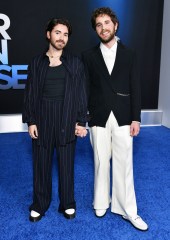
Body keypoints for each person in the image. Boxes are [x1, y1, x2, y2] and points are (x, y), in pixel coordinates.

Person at [82, 7, 148, 231]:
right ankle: (100, 202)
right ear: (96, 30)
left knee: (124, 164)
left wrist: (136, 118)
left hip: (123, 116)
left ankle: (128, 209)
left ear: (115, 25)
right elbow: (85, 89)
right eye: (99, 25)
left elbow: (135, 88)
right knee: (101, 162)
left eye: (107, 23)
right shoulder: (88, 56)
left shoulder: (130, 54)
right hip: (98, 116)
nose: (103, 28)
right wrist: (85, 117)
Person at [23, 18, 88, 222]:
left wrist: (81, 122)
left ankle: (67, 203)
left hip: (67, 119)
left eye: (66, 34)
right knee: (41, 165)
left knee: (67, 165)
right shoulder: (36, 62)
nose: (62, 38)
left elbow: (81, 94)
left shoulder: (75, 63)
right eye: (58, 33)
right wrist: (31, 121)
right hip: (42, 120)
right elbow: (30, 94)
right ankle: (40, 204)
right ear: (48, 34)